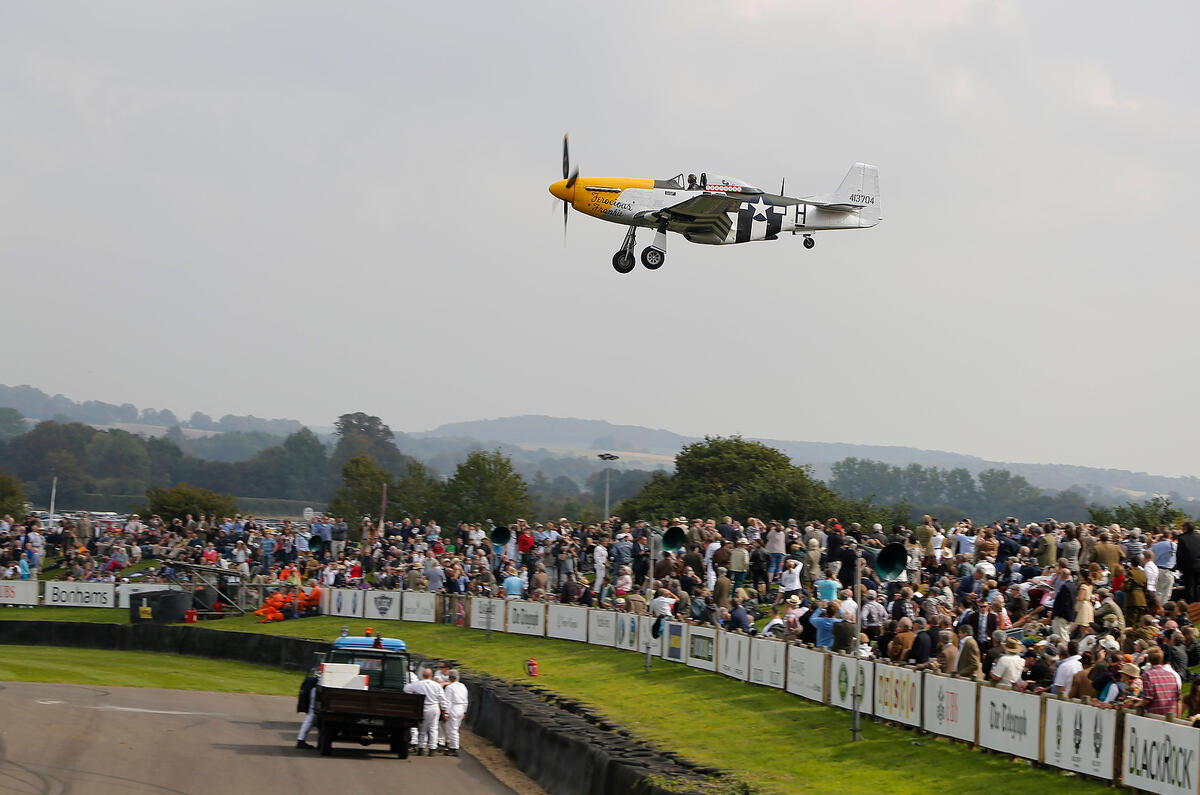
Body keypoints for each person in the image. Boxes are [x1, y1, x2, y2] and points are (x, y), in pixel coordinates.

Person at [404, 667, 449, 756]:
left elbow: (406, 689)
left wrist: (413, 695)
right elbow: (443, 699)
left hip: (422, 707)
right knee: (433, 728)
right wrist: (444, 711)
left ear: (423, 675)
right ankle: (432, 749)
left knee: (422, 728)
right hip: (433, 707)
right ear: (431, 676)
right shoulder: (437, 685)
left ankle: (421, 747)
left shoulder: (418, 684)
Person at [1137, 646, 1181, 718]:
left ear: (1148, 660)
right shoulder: (1172, 675)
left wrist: (1136, 705)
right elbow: (1178, 699)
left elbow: (1147, 699)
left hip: (1156, 717)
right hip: (1172, 716)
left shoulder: (1148, 675)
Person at [442, 669, 469, 756]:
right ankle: (451, 745)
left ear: (451, 678)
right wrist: (464, 711)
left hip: (454, 708)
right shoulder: (463, 686)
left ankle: (454, 748)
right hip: (461, 708)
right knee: (455, 729)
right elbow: (466, 700)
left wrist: (446, 713)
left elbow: (448, 701)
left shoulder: (450, 687)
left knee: (452, 729)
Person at [295, 668, 320, 749]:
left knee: (312, 715)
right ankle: (301, 740)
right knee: (311, 715)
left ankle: (301, 740)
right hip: (316, 688)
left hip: (316, 688)